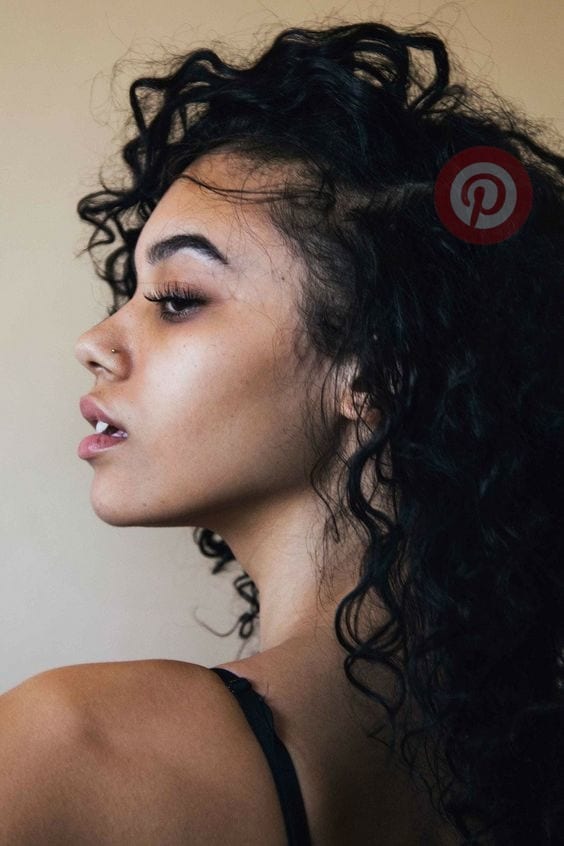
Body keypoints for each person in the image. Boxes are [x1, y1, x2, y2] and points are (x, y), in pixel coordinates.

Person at [1, 18, 562, 846]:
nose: (95, 342)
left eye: (177, 298)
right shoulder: (527, 773)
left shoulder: (71, 751)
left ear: (378, 370)